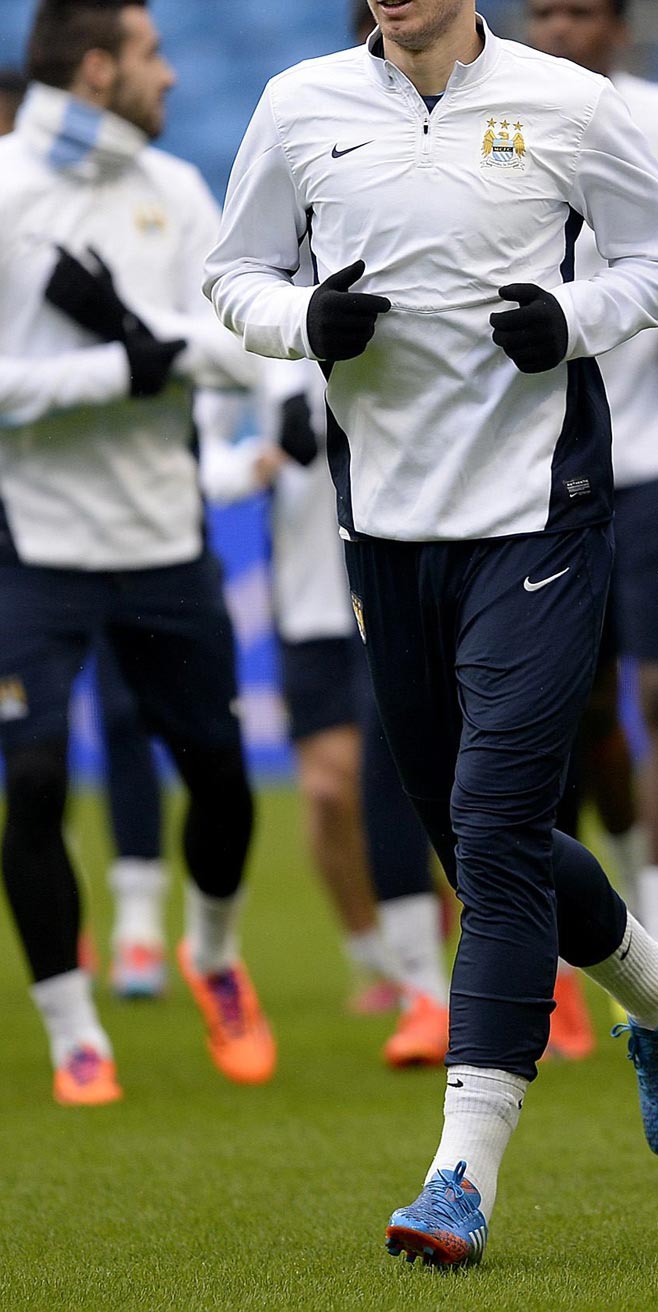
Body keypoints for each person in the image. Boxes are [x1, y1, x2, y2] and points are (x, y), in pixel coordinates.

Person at [203, 0, 658, 1266]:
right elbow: (231, 276)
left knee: (490, 836)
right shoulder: (300, 105)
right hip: (386, 530)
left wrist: (573, 317)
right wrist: (306, 324)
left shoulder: (567, 103)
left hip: (540, 513)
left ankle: (460, 1176)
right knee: (472, 827)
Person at [0, 0, 274, 1105]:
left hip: (164, 537)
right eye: (151, 54)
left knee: (217, 777)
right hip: (29, 544)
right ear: (100, 71)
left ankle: (211, 953)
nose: (169, 74)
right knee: (30, 778)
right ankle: (74, 1030)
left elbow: (239, 346)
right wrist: (115, 370)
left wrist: (136, 337)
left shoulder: (172, 187)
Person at [0, 63, 177, 999]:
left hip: (138, 517)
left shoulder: (102, 216)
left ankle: (147, 928)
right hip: (21, 529)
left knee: (129, 719)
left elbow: (180, 346)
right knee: (37, 762)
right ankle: (77, 966)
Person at [525, 0, 658, 964]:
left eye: (582, 12)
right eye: (546, 12)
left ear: (619, 26)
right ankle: (622, 901)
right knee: (586, 703)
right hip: (551, 460)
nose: (562, 28)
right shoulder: (502, 127)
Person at [198, 359, 451, 1066]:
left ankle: (423, 984)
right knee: (328, 791)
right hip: (308, 601)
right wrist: (262, 459)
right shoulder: (261, 329)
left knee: (398, 780)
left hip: (394, 576)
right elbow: (200, 450)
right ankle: (381, 957)